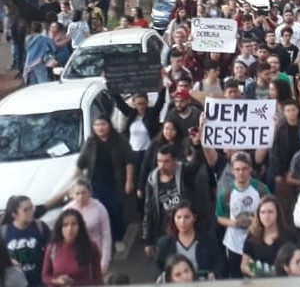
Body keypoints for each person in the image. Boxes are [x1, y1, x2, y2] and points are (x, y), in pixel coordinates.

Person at [75, 115, 134, 249]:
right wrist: (75, 182)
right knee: (98, 212)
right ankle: (100, 240)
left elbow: (129, 161)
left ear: (109, 125)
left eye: (103, 124)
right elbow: (81, 162)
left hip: (115, 184)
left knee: (116, 212)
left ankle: (118, 239)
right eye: (97, 125)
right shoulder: (90, 142)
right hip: (94, 184)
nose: (100, 128)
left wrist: (129, 181)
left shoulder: (119, 140)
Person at [142, 140, 204, 257]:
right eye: (159, 161)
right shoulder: (152, 179)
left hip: (185, 228)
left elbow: (198, 163)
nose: (161, 165)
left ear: (175, 160)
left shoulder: (185, 172)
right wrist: (148, 240)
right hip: (164, 231)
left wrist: (197, 145)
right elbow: (148, 210)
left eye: (166, 161)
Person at [216, 151, 270, 278]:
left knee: (256, 277)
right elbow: (220, 217)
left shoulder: (261, 189)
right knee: (236, 279)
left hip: (256, 241)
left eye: (244, 169)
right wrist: (233, 223)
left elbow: (271, 209)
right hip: (234, 243)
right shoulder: (226, 192)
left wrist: (258, 222)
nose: (241, 173)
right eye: (237, 169)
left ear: (250, 169)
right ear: (232, 170)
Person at [154, 201, 223, 281]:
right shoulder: (165, 243)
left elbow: (219, 264)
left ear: (194, 218)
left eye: (186, 217)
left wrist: (213, 274)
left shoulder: (208, 240)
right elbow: (156, 268)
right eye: (178, 217)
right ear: (173, 219)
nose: (182, 221)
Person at [41, 209, 103, 287]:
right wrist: (57, 281)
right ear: (60, 228)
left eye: (74, 224)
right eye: (65, 225)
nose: (70, 229)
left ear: (80, 227)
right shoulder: (52, 248)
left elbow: (97, 277)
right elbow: (45, 276)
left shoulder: (91, 247)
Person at [0, 195, 51, 287]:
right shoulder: (4, 232)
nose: (31, 212)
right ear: (14, 214)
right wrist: (9, 261)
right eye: (26, 210)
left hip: (39, 283)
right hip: (15, 285)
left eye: (32, 208)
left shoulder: (40, 227)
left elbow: (52, 251)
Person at [64, 178, 112, 274]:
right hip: (74, 254)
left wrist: (105, 261)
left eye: (83, 193)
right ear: (72, 195)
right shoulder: (67, 209)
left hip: (95, 253)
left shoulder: (99, 208)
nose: (81, 197)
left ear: (89, 193)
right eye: (77, 194)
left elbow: (106, 235)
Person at [241, 196, 296, 278]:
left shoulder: (288, 236)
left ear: (277, 213)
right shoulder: (252, 236)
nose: (266, 216)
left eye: (270, 212)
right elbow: (244, 265)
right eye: (262, 212)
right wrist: (256, 273)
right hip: (259, 284)